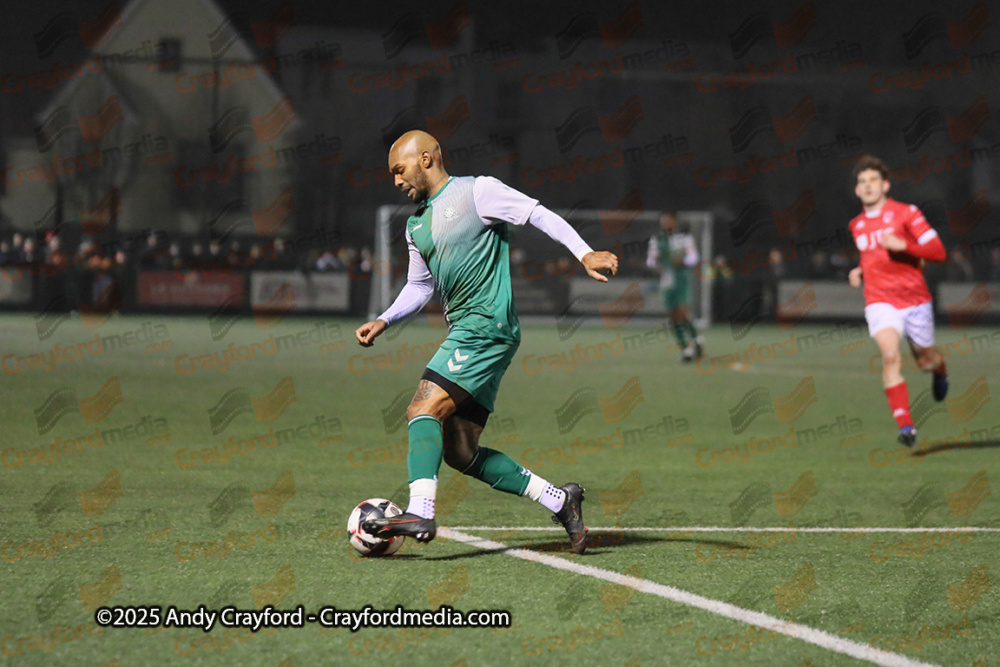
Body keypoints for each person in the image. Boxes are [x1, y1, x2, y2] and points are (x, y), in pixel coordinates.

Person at [354, 130, 618, 554]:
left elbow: (537, 214)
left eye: (398, 170)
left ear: (425, 159)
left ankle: (420, 509)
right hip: (476, 331)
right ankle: (561, 500)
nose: (396, 181)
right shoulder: (416, 225)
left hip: (483, 326)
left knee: (423, 408)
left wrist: (584, 252)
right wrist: (384, 320)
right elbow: (419, 288)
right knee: (461, 451)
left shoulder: (478, 192)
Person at [847, 155, 948, 447]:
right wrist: (859, 270)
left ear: (886, 185)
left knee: (926, 362)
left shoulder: (907, 213)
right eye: (862, 181)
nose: (867, 186)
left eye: (873, 180)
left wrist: (905, 246)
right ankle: (906, 426)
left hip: (915, 300)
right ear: (856, 190)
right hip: (880, 300)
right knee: (890, 357)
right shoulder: (856, 225)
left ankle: (940, 370)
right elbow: (871, 257)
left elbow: (938, 252)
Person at [646, 212, 703, 362]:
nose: (665, 223)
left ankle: (694, 342)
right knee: (673, 317)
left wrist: (683, 259)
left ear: (675, 221)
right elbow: (650, 262)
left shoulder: (684, 238)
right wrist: (656, 259)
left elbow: (693, 258)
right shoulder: (657, 239)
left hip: (682, 280)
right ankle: (687, 348)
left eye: (668, 220)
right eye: (663, 221)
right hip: (667, 281)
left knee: (682, 313)